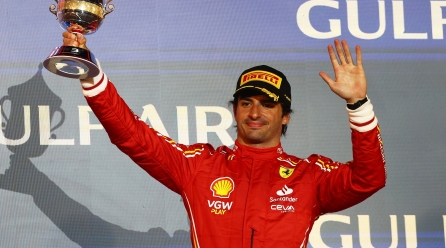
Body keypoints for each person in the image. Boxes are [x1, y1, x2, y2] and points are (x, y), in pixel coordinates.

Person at [63, 29, 386, 248]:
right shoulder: (200, 167)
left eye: (267, 104)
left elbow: (368, 179)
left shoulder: (309, 177)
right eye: (246, 103)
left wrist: (357, 104)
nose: (255, 112)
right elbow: (132, 136)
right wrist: (93, 77)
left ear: (285, 116)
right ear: (234, 111)